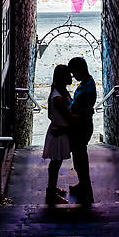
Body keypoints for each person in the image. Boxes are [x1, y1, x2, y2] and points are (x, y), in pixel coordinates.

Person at [42, 64, 74, 204]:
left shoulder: (60, 92)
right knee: (55, 163)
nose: (71, 76)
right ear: (63, 77)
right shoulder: (58, 97)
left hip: (59, 131)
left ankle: (52, 188)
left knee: (56, 163)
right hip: (59, 133)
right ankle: (51, 193)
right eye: (68, 74)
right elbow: (69, 117)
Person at [67, 56, 97, 204]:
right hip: (80, 127)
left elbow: (84, 113)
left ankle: (87, 193)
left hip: (81, 128)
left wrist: (68, 117)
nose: (73, 76)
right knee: (79, 159)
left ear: (80, 70)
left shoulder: (88, 88)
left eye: (74, 72)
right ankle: (82, 186)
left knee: (81, 160)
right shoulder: (86, 83)